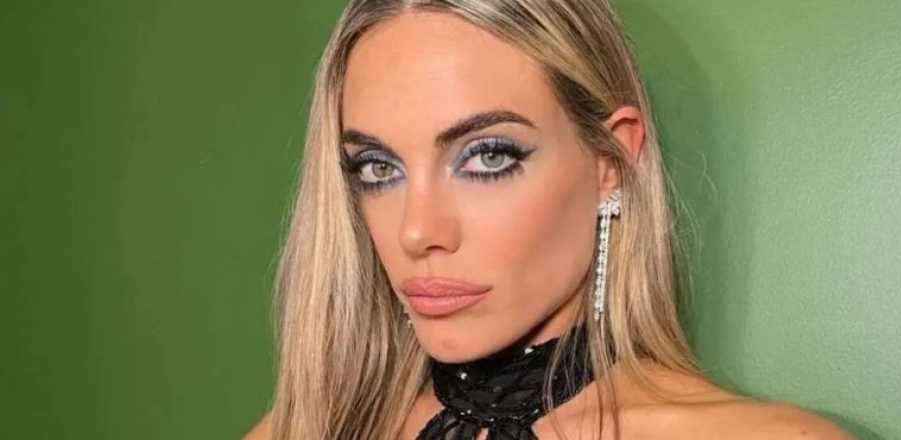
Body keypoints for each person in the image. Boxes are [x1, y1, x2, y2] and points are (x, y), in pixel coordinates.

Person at [246, 0, 854, 439]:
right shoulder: (306, 427)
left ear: (611, 163)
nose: (418, 232)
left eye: (488, 157)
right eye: (378, 168)